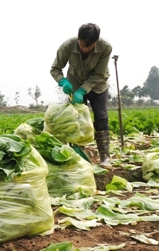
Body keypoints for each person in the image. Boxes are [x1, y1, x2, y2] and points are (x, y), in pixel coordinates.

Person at [50, 23, 112, 168]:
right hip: (74, 83)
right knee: (75, 119)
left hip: (97, 85)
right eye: (83, 45)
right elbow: (55, 69)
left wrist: (84, 90)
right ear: (78, 39)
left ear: (96, 42)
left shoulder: (105, 48)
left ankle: (105, 157)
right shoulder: (67, 46)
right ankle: (78, 155)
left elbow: (98, 74)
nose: (85, 49)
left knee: (101, 116)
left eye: (89, 47)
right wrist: (62, 81)